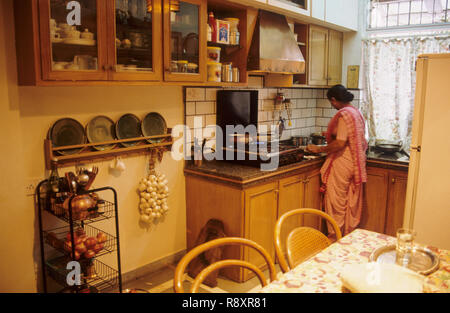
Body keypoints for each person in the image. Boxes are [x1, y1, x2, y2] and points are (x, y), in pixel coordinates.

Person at [307, 85, 368, 238]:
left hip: (343, 161)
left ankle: (335, 237)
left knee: (336, 200)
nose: (332, 105)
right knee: (347, 200)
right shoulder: (355, 112)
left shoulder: (344, 115)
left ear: (334, 100)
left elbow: (340, 142)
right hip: (354, 162)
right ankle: (346, 236)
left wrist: (318, 149)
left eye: (331, 102)